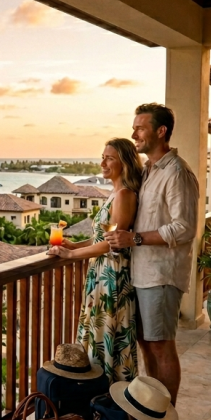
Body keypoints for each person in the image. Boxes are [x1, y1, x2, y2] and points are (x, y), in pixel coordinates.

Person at [106, 103, 198, 405]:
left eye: (141, 128)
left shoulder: (176, 172)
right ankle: (152, 409)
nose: (134, 134)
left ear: (161, 131)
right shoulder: (148, 171)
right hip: (142, 273)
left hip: (161, 274)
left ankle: (165, 417)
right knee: (147, 344)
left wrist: (134, 238)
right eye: (135, 128)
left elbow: (184, 227)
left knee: (161, 346)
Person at [48, 138, 142, 383]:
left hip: (111, 276)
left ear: (125, 162)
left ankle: (110, 399)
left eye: (109, 158)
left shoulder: (124, 195)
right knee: (98, 337)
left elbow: (112, 243)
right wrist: (74, 245)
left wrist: (69, 255)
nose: (102, 162)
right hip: (102, 274)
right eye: (103, 157)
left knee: (107, 337)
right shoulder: (115, 194)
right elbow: (101, 236)